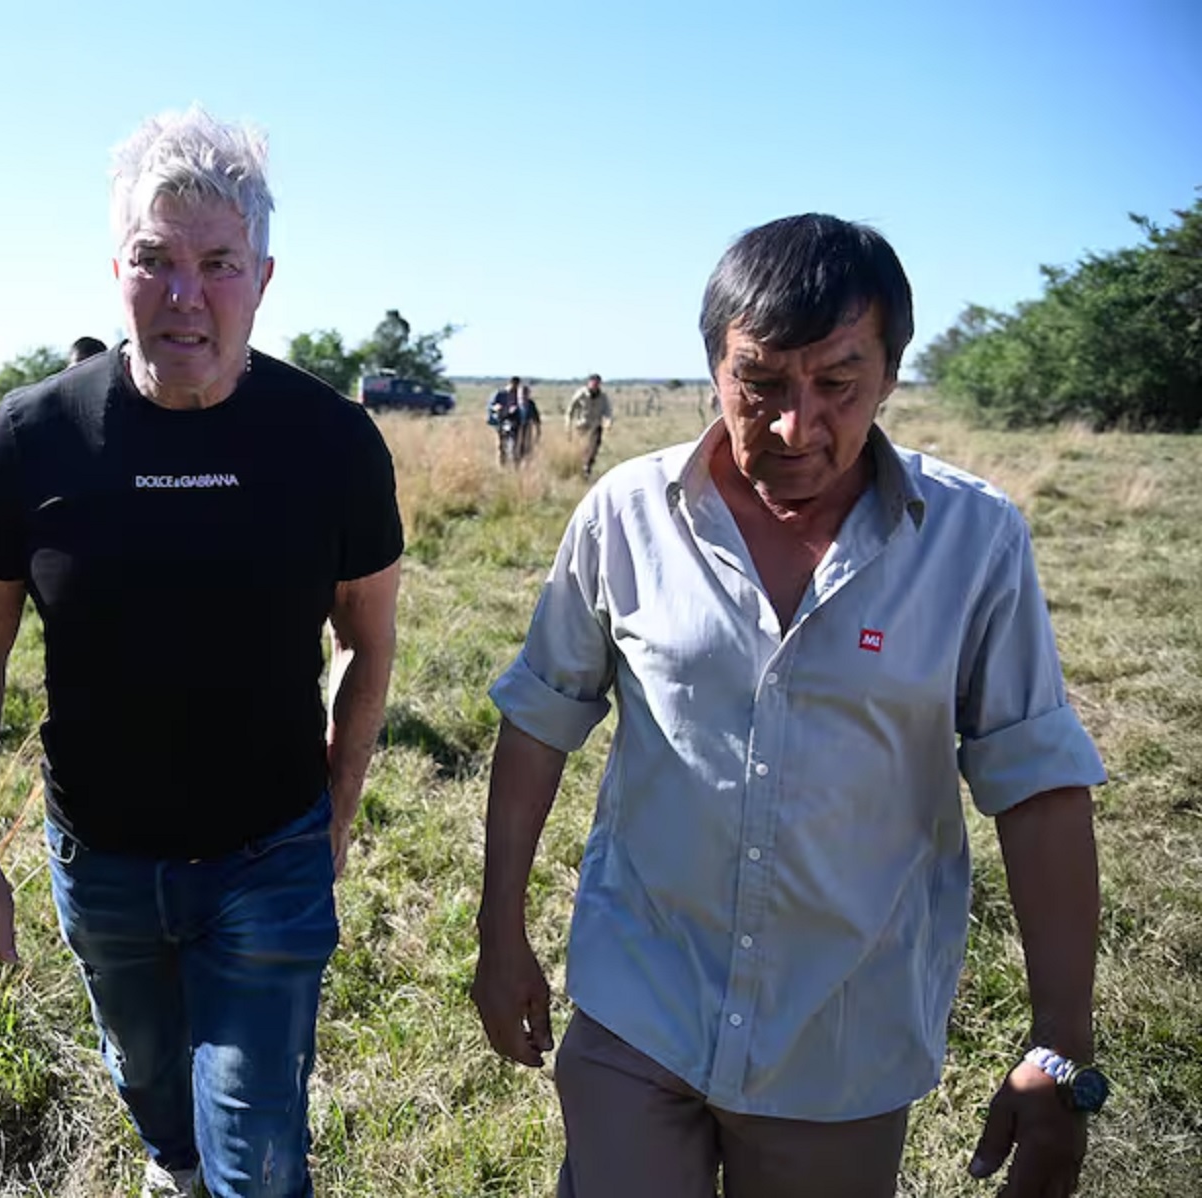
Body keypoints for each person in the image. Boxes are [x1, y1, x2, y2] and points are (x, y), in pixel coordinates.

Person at [473, 214, 1107, 1198]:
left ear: (890, 375)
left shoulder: (974, 542)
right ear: (713, 369)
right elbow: (539, 720)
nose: (794, 427)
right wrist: (498, 930)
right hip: (640, 1004)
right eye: (759, 384)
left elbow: (1038, 786)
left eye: (838, 384)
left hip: (840, 1040)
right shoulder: (626, 516)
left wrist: (1061, 1043)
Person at [0, 107, 403, 1198]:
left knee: (258, 1151)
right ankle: (170, 1165)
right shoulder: (34, 439)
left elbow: (368, 641)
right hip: (100, 860)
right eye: (155, 260)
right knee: (150, 1084)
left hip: (269, 853)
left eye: (218, 264)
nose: (185, 294)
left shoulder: (332, 444)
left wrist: (333, 814)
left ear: (263, 278)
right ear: (117, 270)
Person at [565, 374, 614, 479]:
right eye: (593, 383)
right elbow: (570, 410)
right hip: (582, 426)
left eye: (597, 383)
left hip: (595, 427)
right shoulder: (581, 394)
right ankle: (579, 469)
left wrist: (608, 422)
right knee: (583, 449)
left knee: (593, 449)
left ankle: (587, 467)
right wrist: (568, 425)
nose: (595, 385)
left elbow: (608, 411)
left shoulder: (603, 396)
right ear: (588, 383)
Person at [488, 376, 525, 465]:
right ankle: (502, 465)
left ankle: (515, 465)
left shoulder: (518, 395)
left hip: (514, 422)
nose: (515, 388)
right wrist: (498, 408)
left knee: (515, 445)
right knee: (501, 445)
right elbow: (491, 406)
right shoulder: (500, 394)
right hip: (501, 421)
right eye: (514, 385)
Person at [517, 383, 543, 461]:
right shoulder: (514, 403)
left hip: (527, 427)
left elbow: (536, 419)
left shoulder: (531, 404)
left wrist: (538, 431)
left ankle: (527, 464)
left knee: (528, 448)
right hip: (515, 429)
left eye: (525, 393)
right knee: (516, 448)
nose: (523, 396)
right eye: (521, 393)